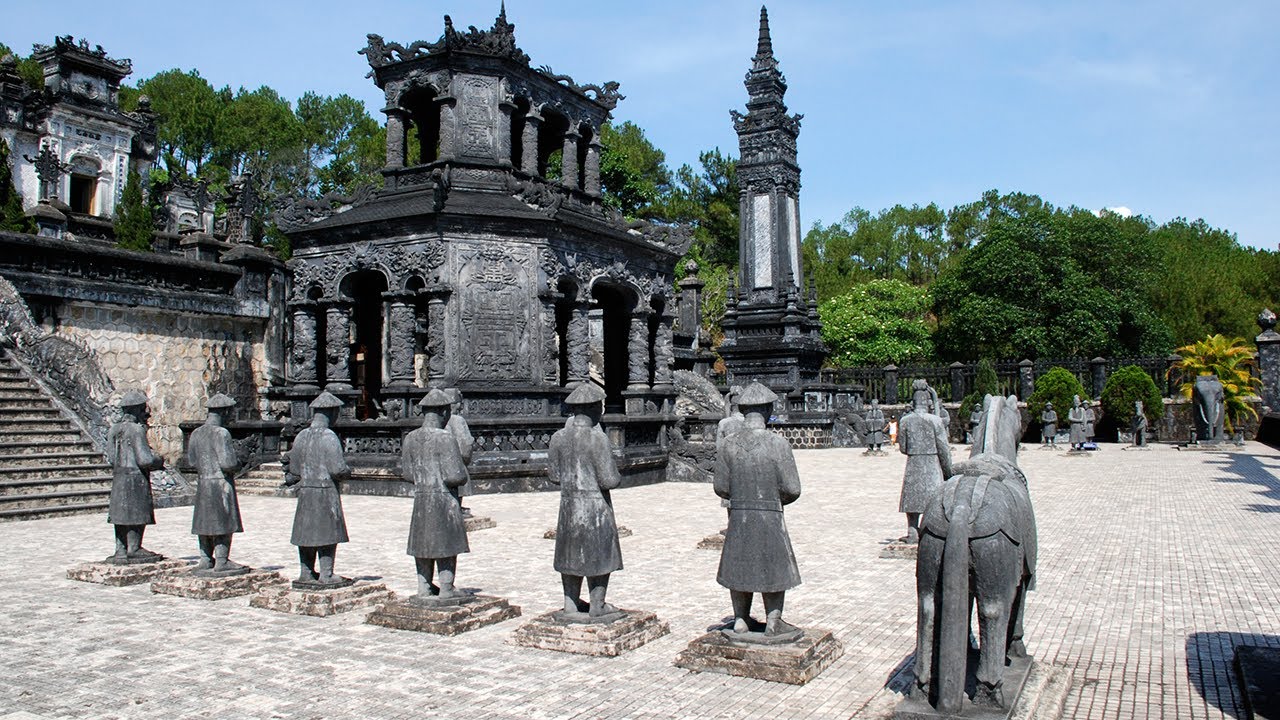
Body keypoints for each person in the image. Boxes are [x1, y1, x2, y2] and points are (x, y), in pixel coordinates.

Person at [715, 381, 802, 637]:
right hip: (770, 513)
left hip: (739, 514)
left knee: (739, 562)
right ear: (767, 410)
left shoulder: (728, 444)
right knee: (772, 562)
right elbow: (792, 488)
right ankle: (774, 620)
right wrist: (773, 501)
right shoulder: (778, 444)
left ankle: (740, 619)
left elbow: (721, 487)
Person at [547, 383, 623, 617]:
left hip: (569, 506)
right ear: (593, 408)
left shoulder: (558, 438)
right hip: (594, 507)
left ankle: (570, 603)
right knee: (599, 554)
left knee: (570, 553)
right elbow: (609, 480)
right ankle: (597, 605)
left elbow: (554, 476)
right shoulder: (596, 438)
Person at [401, 389, 470, 600]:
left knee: (422, 542)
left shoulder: (410, 438)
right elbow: (456, 475)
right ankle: (447, 588)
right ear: (444, 411)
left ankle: (424, 587)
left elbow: (408, 473)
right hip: (443, 498)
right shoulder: (445, 437)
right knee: (446, 544)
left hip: (421, 499)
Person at [283, 391, 351, 586]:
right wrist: (348, 470)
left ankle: (305, 571)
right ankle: (326, 573)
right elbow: (337, 468)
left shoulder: (301, 436)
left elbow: (295, 469)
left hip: (306, 491)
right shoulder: (329, 437)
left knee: (306, 531)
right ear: (331, 412)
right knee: (328, 533)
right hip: (325, 491)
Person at [188, 393, 245, 574]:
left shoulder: (196, 433)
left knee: (204, 521)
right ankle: (222, 560)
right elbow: (227, 463)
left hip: (203, 482)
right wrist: (238, 462)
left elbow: (191, 461)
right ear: (225, 412)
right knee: (223, 521)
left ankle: (205, 558)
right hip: (220, 484)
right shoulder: (221, 433)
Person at [106, 390, 165, 562]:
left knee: (120, 514)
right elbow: (144, 459)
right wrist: (158, 460)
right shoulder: (136, 430)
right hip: (135, 478)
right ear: (137, 410)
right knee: (136, 513)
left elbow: (111, 458)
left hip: (119, 477)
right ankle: (135, 547)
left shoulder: (114, 430)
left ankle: (120, 549)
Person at [897, 389, 952, 544]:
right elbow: (944, 449)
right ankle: (935, 531)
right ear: (927, 403)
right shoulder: (935, 421)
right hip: (932, 462)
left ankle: (912, 531)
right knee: (934, 498)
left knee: (912, 499)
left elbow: (903, 448)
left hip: (913, 462)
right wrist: (948, 470)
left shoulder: (906, 420)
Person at [444, 388, 475, 517]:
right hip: (457, 458)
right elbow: (465, 443)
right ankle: (456, 506)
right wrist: (466, 456)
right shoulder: (457, 420)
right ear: (455, 404)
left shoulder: (442, 419)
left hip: (443, 460)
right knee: (459, 484)